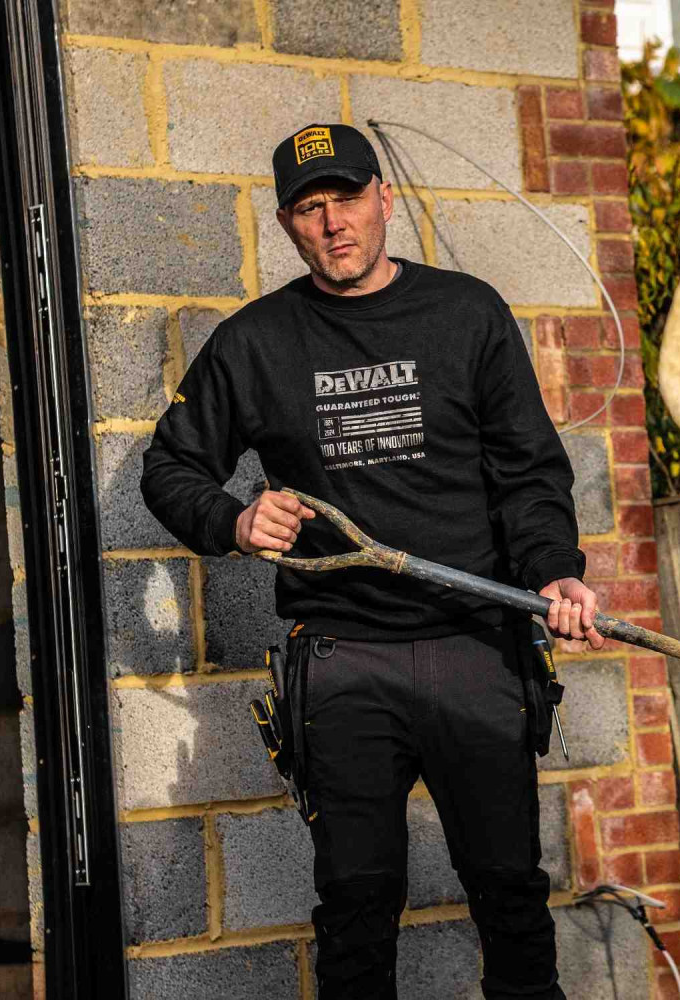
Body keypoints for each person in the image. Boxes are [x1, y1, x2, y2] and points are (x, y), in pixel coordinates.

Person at [141, 122, 606, 1000]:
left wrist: (552, 567)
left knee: (510, 893)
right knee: (356, 909)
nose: (333, 223)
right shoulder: (256, 342)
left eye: (347, 198)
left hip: (476, 645)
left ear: (383, 199)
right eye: (309, 208)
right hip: (343, 661)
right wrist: (234, 520)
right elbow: (169, 468)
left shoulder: (467, 314)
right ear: (287, 223)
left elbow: (528, 470)